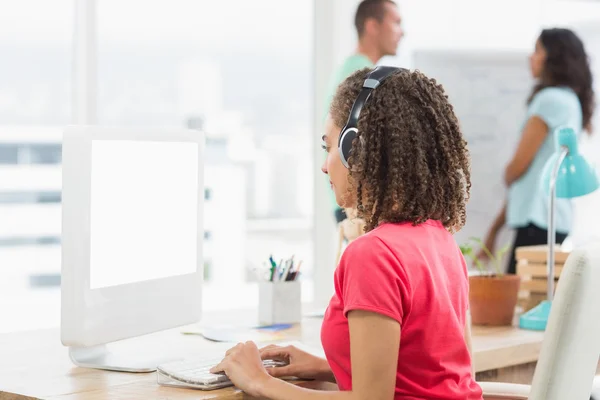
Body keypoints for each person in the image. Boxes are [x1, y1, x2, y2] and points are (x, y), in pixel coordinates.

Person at [210, 67, 483, 399]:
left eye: (329, 147)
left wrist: (259, 381)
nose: (325, 165)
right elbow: (430, 374)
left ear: (356, 147)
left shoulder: (374, 254)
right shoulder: (440, 240)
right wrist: (326, 365)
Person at [480, 28, 595, 274]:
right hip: (553, 220)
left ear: (554, 57)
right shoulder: (569, 100)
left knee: (522, 301)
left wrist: (508, 172)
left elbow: (517, 169)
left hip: (538, 222)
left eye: (537, 51)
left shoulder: (550, 99)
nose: (531, 57)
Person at [326, 0, 404, 225]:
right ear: (372, 26)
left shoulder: (352, 70)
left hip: (352, 199)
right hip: (357, 203)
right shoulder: (362, 76)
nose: (402, 32)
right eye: (396, 22)